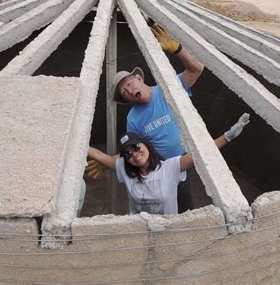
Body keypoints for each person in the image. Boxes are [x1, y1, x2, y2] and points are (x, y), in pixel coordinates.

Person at [86, 24, 204, 213]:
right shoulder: (134, 118)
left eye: (130, 84)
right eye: (125, 92)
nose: (130, 90)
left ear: (139, 79)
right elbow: (134, 147)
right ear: (125, 99)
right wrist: (108, 163)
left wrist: (177, 49)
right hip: (161, 168)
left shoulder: (168, 88)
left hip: (185, 158)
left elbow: (196, 69)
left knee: (184, 204)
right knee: (161, 207)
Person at [87, 114, 250, 215]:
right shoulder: (124, 168)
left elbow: (200, 153)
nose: (134, 154)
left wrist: (227, 137)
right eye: (127, 153)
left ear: (145, 145)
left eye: (136, 147)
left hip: (168, 230)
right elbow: (99, 155)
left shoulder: (170, 167)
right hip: (140, 231)